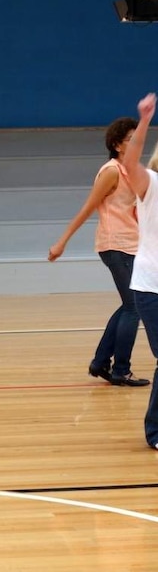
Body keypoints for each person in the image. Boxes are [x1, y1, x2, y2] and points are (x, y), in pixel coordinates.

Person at [49, 117, 149, 387]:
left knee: (130, 305)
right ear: (117, 145)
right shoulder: (111, 171)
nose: (137, 144)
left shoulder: (132, 171)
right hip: (114, 244)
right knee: (133, 307)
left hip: (131, 244)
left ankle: (101, 361)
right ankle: (121, 370)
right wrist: (62, 241)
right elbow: (88, 207)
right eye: (131, 140)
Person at [121, 92, 158, 447]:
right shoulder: (151, 185)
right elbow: (131, 161)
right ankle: (155, 432)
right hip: (151, 287)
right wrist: (145, 120)